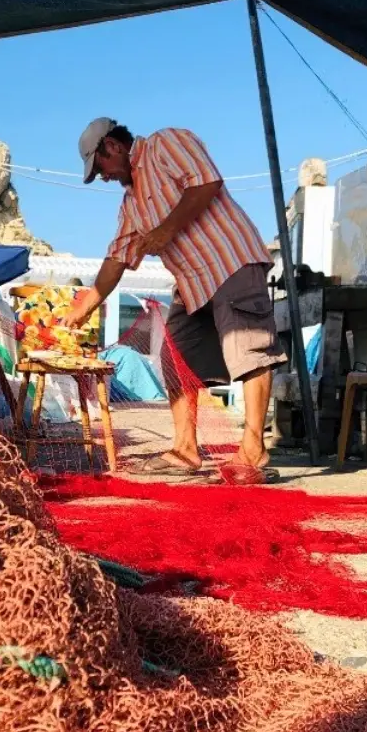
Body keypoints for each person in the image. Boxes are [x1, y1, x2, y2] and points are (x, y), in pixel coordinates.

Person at [61, 117, 287, 485]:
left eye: (98, 166)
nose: (101, 177)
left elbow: (207, 183)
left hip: (231, 260)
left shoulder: (166, 144)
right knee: (175, 356)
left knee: (250, 350)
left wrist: (166, 230)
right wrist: (85, 306)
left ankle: (253, 450)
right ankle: (185, 448)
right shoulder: (130, 204)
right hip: (192, 280)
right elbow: (117, 257)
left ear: (112, 147)